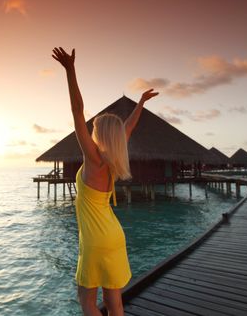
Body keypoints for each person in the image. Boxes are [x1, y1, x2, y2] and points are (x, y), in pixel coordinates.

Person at [52, 47, 158, 316]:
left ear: (101, 135)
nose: (92, 130)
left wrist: (70, 71)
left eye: (95, 128)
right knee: (115, 303)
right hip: (115, 236)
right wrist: (140, 104)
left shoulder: (95, 158)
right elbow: (129, 127)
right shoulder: (113, 160)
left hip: (95, 240)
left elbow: (77, 110)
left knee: (87, 302)